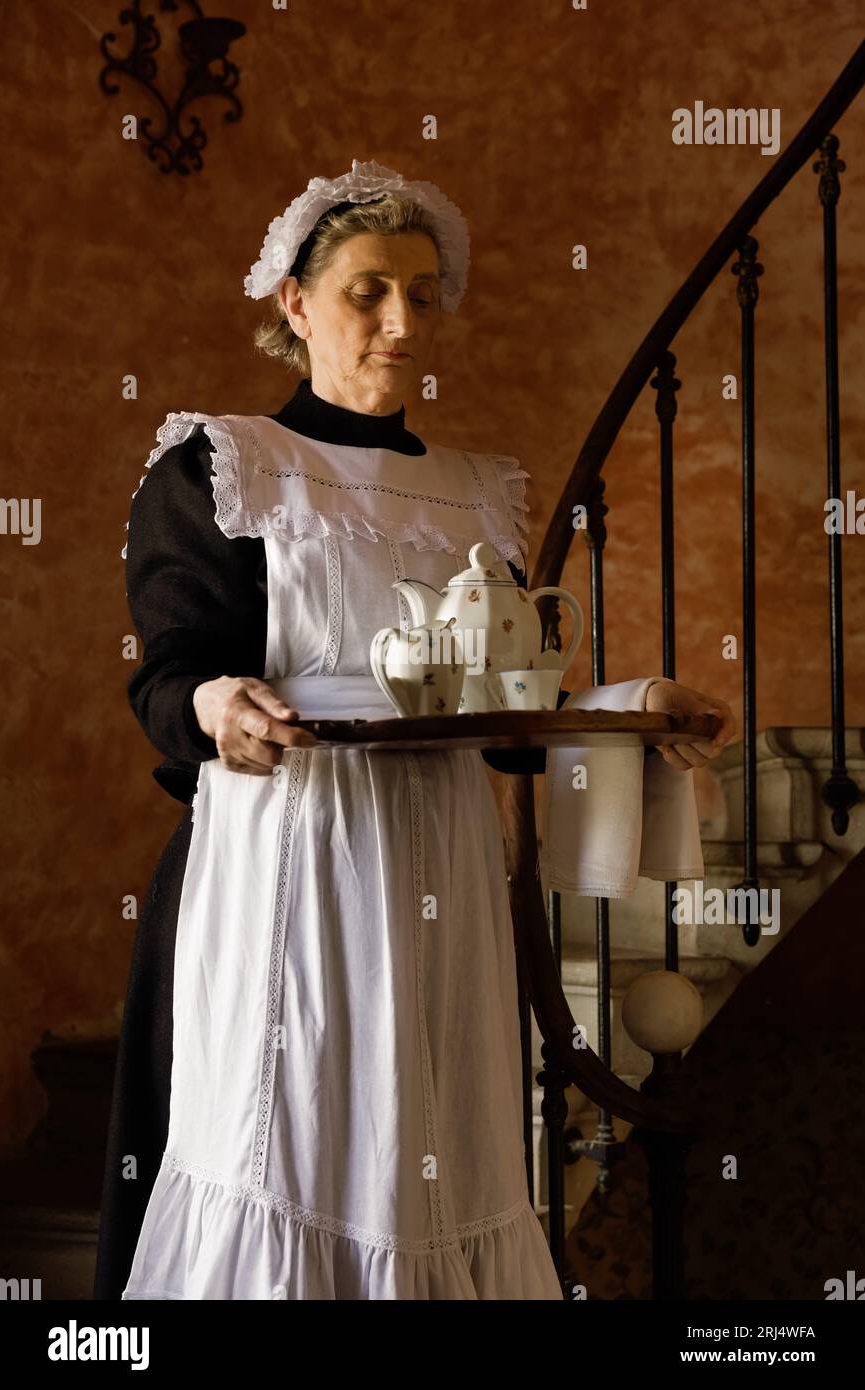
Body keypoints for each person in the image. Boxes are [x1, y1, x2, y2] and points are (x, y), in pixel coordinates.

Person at [93, 159, 733, 1301]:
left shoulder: (479, 495)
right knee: (288, 1138)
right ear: (295, 303)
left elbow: (503, 712)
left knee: (433, 1153)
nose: (402, 321)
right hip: (291, 857)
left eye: (423, 294)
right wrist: (214, 706)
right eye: (367, 290)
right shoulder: (230, 468)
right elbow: (169, 676)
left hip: (439, 868)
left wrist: (630, 706)